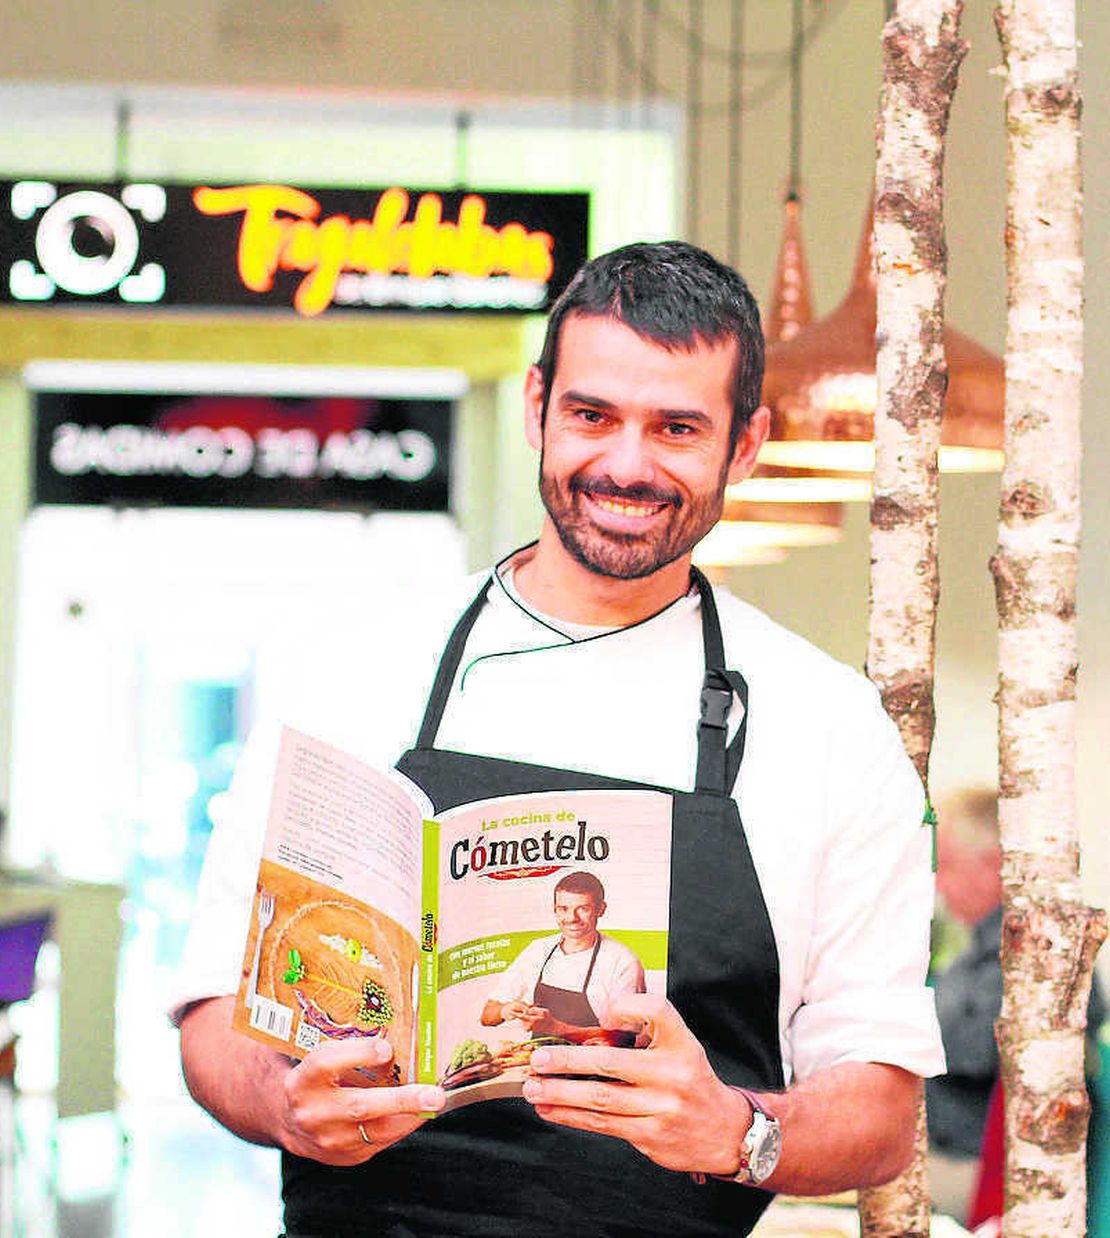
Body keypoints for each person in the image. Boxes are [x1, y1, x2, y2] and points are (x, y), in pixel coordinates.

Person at [172, 240, 944, 1237]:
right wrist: (285, 1106)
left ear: (745, 444)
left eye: (676, 426)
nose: (625, 464)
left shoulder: (828, 725)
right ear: (536, 404)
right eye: (592, 414)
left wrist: (732, 1129)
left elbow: (880, 1111)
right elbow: (212, 1018)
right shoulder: (351, 675)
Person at [926, 788, 1003, 1161]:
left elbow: (979, 1051)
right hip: (939, 1149)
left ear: (997, 863)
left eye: (949, 865)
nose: (939, 884)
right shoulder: (975, 946)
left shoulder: (1032, 956)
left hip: (970, 1165)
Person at [480, 870, 645, 1035]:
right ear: (555, 909)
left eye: (583, 908)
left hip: (595, 1060)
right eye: (563, 908)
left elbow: (626, 1039)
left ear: (601, 909)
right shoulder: (538, 950)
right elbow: (487, 1015)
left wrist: (555, 1028)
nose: (572, 918)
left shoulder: (622, 961)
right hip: (541, 1057)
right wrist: (504, 1010)